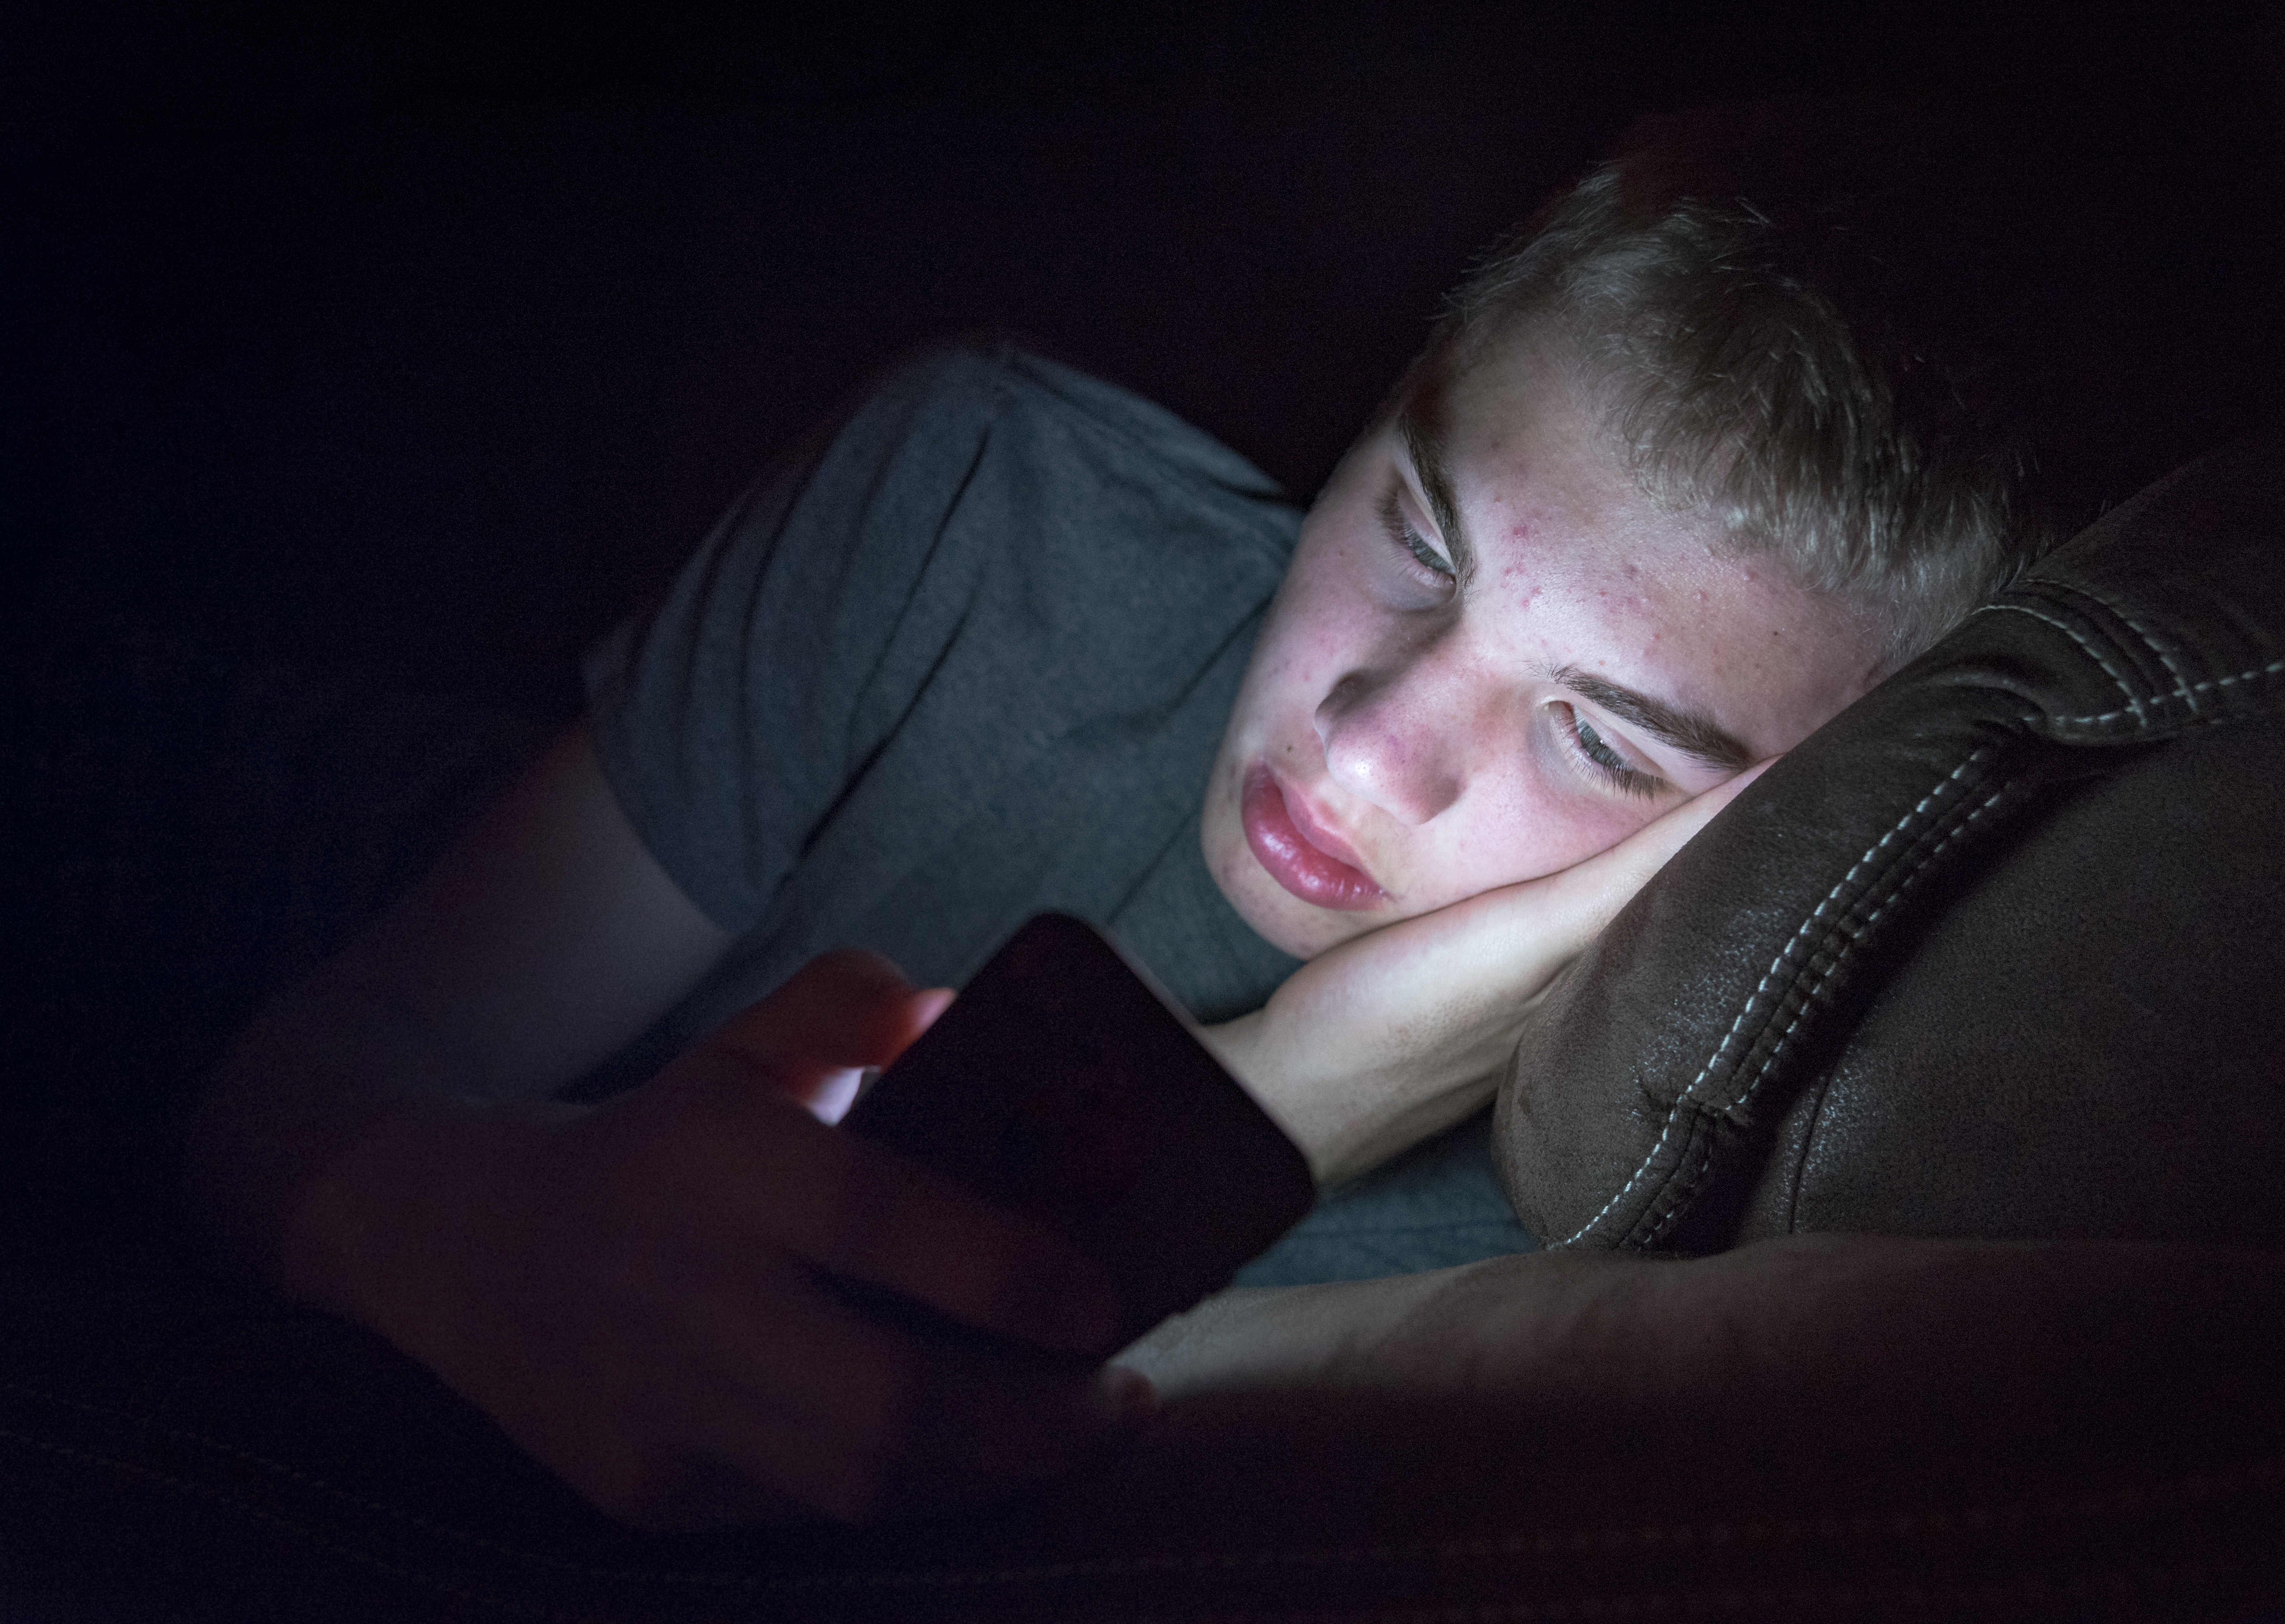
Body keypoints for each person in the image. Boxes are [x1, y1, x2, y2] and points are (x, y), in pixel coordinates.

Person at [185, 108, 2040, 1531]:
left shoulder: (1631, 1232)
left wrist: (1284, 1093)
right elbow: (319, 1063)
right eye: (1415, 534)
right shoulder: (984, 506)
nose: (1371, 746)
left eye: (1608, 747)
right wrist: (438, 1218)